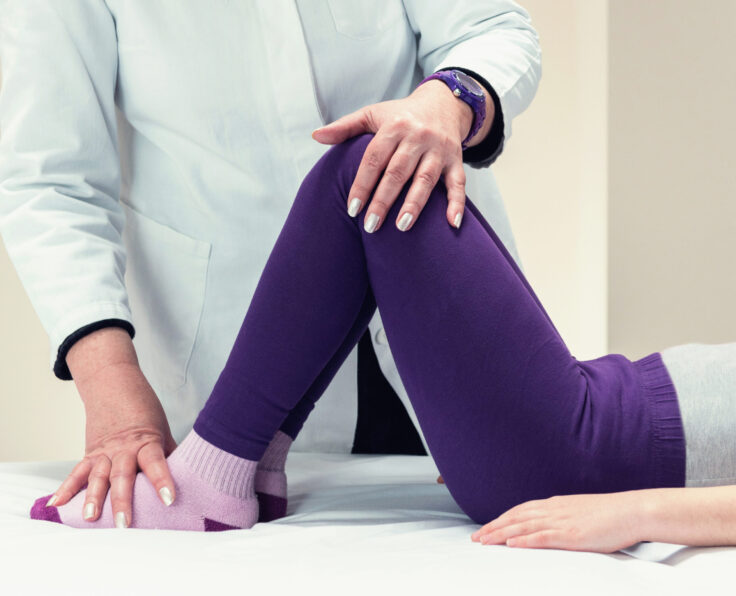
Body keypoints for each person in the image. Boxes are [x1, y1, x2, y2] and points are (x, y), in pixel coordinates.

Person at [30, 134, 736, 553]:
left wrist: (632, 512)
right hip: (610, 405)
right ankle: (253, 465)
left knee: (369, 168)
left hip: (597, 450)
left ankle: (213, 479)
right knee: (379, 165)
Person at [0, 1, 541, 522]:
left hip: (433, 290)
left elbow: (491, 27)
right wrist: (109, 379)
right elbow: (50, 181)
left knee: (500, 502)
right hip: (232, 347)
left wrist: (449, 100)